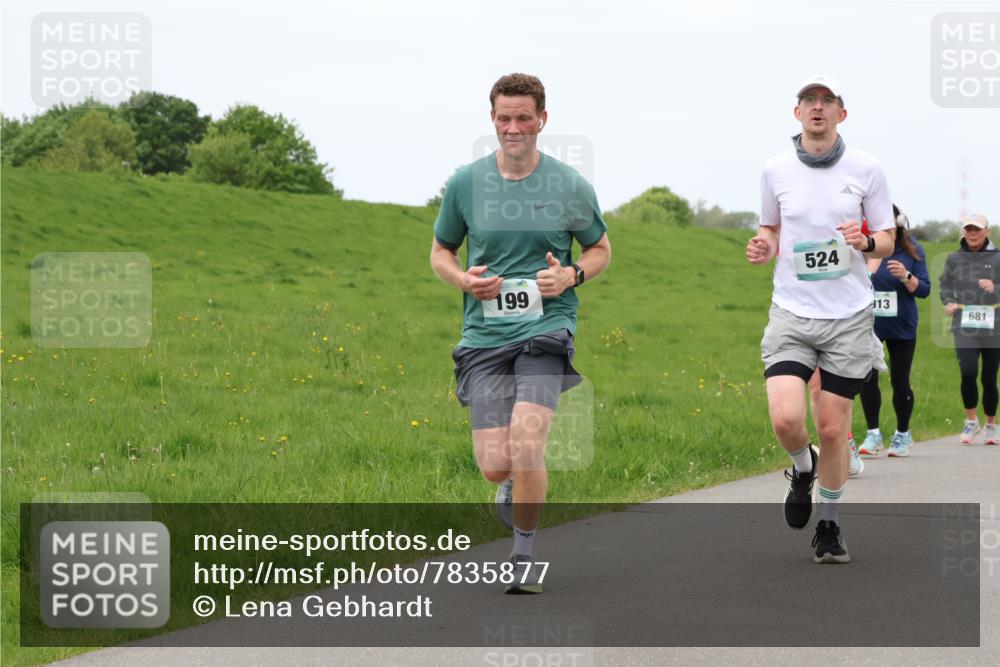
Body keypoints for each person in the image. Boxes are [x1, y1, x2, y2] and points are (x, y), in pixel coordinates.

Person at [430, 73, 611, 593]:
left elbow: (600, 249)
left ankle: (524, 556)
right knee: (495, 465)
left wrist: (572, 275)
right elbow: (440, 251)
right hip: (485, 336)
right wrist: (462, 278)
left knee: (528, 442)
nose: (514, 128)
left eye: (524, 118)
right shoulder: (465, 183)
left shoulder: (570, 186)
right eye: (504, 118)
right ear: (492, 119)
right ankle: (507, 484)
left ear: (542, 120)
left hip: (545, 329)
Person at [747, 74, 894, 564]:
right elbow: (770, 227)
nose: (817, 107)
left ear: (840, 114)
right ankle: (801, 466)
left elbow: (888, 238)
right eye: (808, 100)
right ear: (797, 113)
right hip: (791, 310)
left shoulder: (866, 167)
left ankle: (829, 526)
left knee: (833, 428)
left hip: (849, 316)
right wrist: (763, 244)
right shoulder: (774, 169)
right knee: (787, 418)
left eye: (826, 101)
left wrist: (866, 242)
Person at [858, 205, 931, 457]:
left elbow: (924, 290)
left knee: (900, 381)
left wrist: (906, 276)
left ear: (897, 223)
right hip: (870, 326)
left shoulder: (912, 250)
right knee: (867, 380)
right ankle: (873, 434)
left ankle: (902, 434)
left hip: (902, 327)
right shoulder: (865, 246)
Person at [940, 213, 1000, 446]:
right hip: (964, 323)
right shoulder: (955, 258)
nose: (972, 233)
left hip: (994, 324)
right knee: (968, 372)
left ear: (987, 231)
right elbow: (944, 284)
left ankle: (991, 424)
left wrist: (995, 286)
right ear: (964, 232)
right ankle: (971, 421)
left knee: (989, 376)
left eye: (977, 229)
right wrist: (948, 301)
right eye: (968, 229)